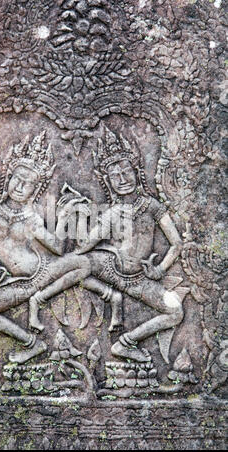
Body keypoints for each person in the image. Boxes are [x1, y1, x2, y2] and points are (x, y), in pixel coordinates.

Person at [0, 132, 91, 363]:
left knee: (84, 263)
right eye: (17, 178)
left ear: (35, 190)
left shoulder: (30, 217)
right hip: (17, 284)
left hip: (41, 273)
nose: (20, 186)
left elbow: (56, 247)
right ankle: (32, 343)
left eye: (28, 183)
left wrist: (64, 215)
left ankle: (41, 298)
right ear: (8, 177)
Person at [76, 126, 184, 363]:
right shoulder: (113, 212)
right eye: (115, 176)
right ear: (108, 182)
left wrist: (161, 269)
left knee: (175, 311)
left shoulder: (152, 207)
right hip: (112, 270)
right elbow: (84, 247)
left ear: (137, 172)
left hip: (139, 279)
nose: (122, 180)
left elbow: (176, 243)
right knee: (76, 267)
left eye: (126, 172)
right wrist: (75, 215)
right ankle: (110, 297)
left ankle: (125, 343)